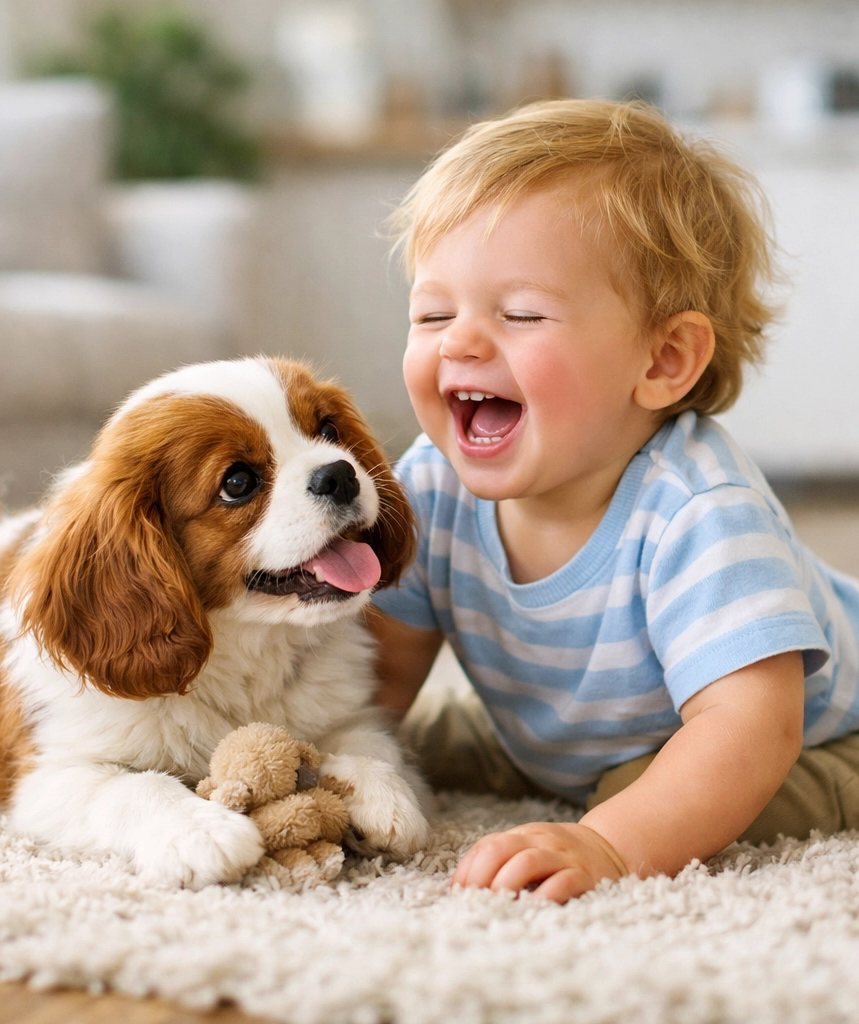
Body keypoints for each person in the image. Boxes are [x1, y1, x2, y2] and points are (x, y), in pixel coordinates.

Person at [367, 99, 859, 903]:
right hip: (567, 734)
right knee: (425, 743)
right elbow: (378, 674)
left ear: (664, 359)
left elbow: (753, 727)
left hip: (818, 733)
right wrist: (332, 759)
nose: (459, 341)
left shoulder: (699, 510)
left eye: (520, 313)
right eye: (432, 313)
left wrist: (610, 842)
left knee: (638, 788)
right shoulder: (429, 485)